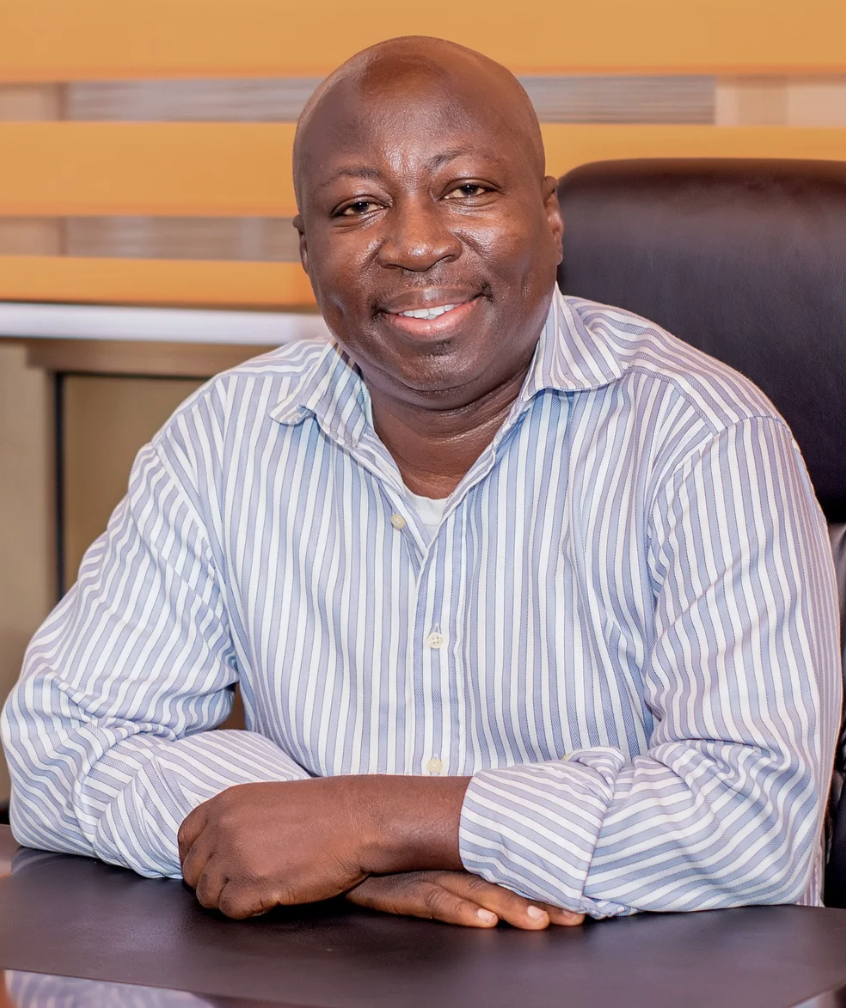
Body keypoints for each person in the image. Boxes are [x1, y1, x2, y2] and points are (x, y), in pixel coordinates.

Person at [1, 36, 841, 930]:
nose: (414, 242)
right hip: (326, 977)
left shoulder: (703, 438)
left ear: (550, 218)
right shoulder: (227, 439)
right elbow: (58, 746)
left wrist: (371, 823)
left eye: (467, 189)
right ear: (307, 251)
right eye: (358, 205)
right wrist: (337, 857)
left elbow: (756, 822)